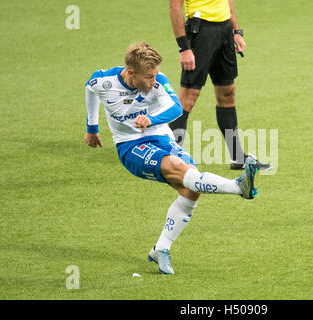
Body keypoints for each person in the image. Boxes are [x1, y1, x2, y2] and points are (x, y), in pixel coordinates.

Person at [84, 42, 259, 275]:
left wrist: (152, 120)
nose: (153, 81)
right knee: (181, 171)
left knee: (191, 186)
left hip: (162, 138)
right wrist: (92, 127)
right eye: (148, 77)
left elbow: (176, 108)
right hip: (130, 146)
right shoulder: (104, 81)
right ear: (130, 73)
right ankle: (238, 186)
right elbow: (90, 89)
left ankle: (161, 248)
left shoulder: (157, 80)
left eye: (155, 75)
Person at [168, 0, 271, 170]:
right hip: (200, 33)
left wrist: (236, 31)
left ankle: (238, 157)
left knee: (227, 94)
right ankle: (171, 158)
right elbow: (174, 7)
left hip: (224, 31)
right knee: (188, 98)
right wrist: (184, 48)